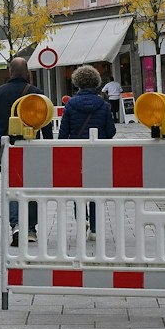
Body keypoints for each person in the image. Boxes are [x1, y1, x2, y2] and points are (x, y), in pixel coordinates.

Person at [0, 57, 47, 244]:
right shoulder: (36, 94)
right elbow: (46, 122)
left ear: (9, 72)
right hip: (32, 147)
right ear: (27, 72)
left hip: (7, 148)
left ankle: (16, 225)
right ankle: (30, 229)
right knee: (31, 187)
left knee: (13, 187)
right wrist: (49, 147)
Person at [62, 65, 116, 236]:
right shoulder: (103, 104)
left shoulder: (70, 104)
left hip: (76, 153)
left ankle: (82, 219)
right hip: (97, 153)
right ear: (96, 82)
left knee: (78, 188)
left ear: (77, 82)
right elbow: (111, 131)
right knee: (95, 189)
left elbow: (63, 133)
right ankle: (94, 227)